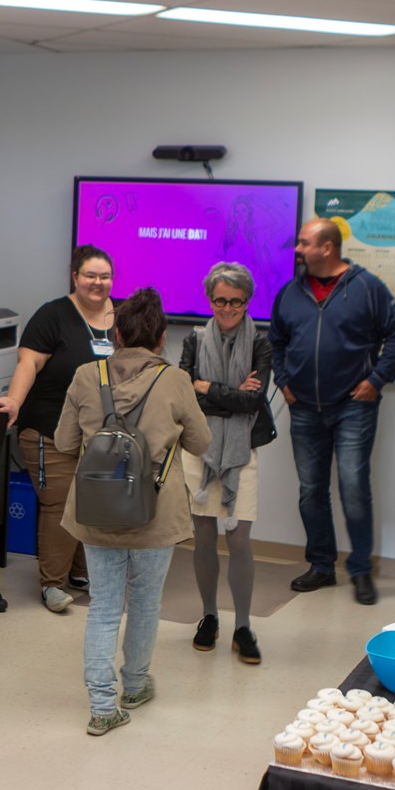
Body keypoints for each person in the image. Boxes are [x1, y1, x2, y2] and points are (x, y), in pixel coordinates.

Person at [55, 287, 210, 736]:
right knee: (144, 602)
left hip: (96, 509)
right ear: (161, 338)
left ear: (117, 334)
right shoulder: (175, 380)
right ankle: (136, 686)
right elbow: (201, 442)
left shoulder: (87, 375)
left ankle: (102, 707)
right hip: (155, 512)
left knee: (103, 606)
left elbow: (64, 442)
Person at [269, 218, 395, 606]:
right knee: (311, 491)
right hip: (304, 408)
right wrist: (283, 380)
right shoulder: (290, 292)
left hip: (353, 407)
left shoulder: (366, 287)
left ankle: (361, 570)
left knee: (353, 487)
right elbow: (276, 341)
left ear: (327, 248)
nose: (297, 249)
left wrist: (377, 379)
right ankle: (321, 565)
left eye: (304, 243)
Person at [0, 245, 112, 613]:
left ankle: (80, 572)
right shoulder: (53, 315)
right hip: (49, 427)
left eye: (105, 276)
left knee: (93, 501)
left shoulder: (117, 316)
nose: (97, 283)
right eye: (90, 275)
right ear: (74, 277)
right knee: (60, 502)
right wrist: (14, 400)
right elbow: (28, 363)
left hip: (97, 433)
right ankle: (52, 584)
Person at [178, 262, 273, 663]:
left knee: (239, 540)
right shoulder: (194, 339)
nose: (228, 308)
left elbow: (252, 402)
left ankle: (244, 626)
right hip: (199, 449)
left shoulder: (261, 344)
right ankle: (209, 617)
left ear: (247, 301)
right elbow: (186, 395)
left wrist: (207, 386)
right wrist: (229, 392)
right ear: (209, 300)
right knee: (203, 537)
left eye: (236, 301)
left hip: (241, 452)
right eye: (220, 300)